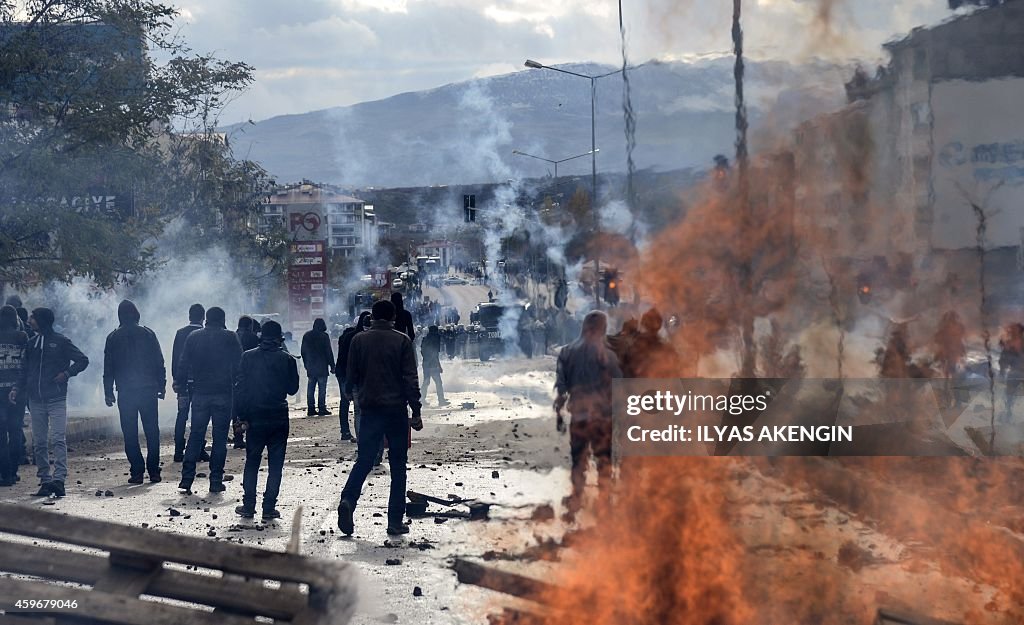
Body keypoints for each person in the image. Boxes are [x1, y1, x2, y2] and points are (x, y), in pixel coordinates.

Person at [337, 300, 422, 537]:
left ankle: (348, 501)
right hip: (396, 411)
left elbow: (351, 375)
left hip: (370, 409)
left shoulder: (358, 340)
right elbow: (410, 378)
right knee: (398, 467)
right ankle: (394, 521)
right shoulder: (402, 340)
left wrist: (351, 393)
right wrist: (416, 410)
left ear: (372, 317)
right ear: (393, 317)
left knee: (364, 461)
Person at [12, 307, 89, 497]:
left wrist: (67, 374)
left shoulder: (61, 341)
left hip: (56, 399)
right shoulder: (31, 344)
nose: (29, 320)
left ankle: (59, 480)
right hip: (35, 400)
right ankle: (45, 481)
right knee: (39, 443)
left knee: (57, 439)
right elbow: (24, 370)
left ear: (42, 320)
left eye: (33, 317)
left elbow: (82, 360)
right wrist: (16, 388)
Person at [554, 311, 622, 520]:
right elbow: (618, 385)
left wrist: (559, 412)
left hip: (580, 417)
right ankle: (604, 502)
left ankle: (576, 499)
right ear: (602, 328)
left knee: (578, 460)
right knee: (603, 460)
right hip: (602, 418)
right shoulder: (608, 355)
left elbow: (561, 388)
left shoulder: (567, 352)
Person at [234, 320, 298, 522]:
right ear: (280, 338)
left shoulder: (248, 357)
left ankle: (248, 505)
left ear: (260, 336)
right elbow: (292, 389)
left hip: (255, 416)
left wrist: (240, 417)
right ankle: (269, 507)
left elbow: (241, 389)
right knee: (276, 465)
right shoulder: (287, 359)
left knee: (252, 462)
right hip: (279, 415)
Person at [176, 306, 242, 494]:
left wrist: (180, 386)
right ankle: (215, 481)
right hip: (223, 393)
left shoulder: (194, 337)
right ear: (222, 320)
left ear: (206, 319)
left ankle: (186, 479)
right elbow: (240, 365)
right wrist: (238, 386)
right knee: (220, 439)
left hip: (200, 393)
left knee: (196, 435)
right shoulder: (230, 337)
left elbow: (183, 364)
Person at [103, 300, 166, 484]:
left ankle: (137, 472)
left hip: (126, 392)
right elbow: (158, 362)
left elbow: (109, 368)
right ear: (137, 315)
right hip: (148, 390)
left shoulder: (113, 337)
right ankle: (154, 471)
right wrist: (161, 386)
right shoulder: (148, 334)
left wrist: (108, 392)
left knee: (130, 432)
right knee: (152, 431)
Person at [171, 304, 208, 463]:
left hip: (184, 383)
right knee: (199, 417)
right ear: (203, 317)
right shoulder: (204, 334)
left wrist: (177, 380)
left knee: (182, 415)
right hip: (201, 384)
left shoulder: (180, 333)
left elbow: (175, 359)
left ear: (189, 316)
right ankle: (198, 449)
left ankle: (179, 451)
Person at [0, 306, 27, 486]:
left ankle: (4, 473)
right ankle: (13, 471)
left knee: (1, 433)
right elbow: (26, 363)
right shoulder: (22, 337)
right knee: (15, 431)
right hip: (17, 390)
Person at [336, 312, 371, 443]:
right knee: (361, 410)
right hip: (355, 377)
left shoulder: (347, 336)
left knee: (348, 404)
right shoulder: (359, 338)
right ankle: (365, 440)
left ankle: (346, 431)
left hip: (346, 375)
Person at [231, 316, 260, 449]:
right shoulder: (253, 337)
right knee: (251, 408)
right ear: (249, 326)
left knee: (236, 409)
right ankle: (251, 436)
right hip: (250, 379)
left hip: (233, 379)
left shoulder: (233, 336)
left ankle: (238, 437)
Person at [300, 318, 334, 417]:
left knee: (311, 388)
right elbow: (328, 352)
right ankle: (322, 408)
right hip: (322, 366)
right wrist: (332, 365)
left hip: (311, 366)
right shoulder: (324, 336)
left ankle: (311, 409)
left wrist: (306, 364)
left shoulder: (307, 335)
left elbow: (303, 351)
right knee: (322, 388)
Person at [421, 325, 449, 406]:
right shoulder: (435, 338)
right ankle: (441, 400)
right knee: (438, 382)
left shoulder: (425, 339)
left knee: (426, 381)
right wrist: (439, 366)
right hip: (433, 364)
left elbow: (422, 352)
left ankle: (422, 399)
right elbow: (435, 353)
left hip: (425, 363)